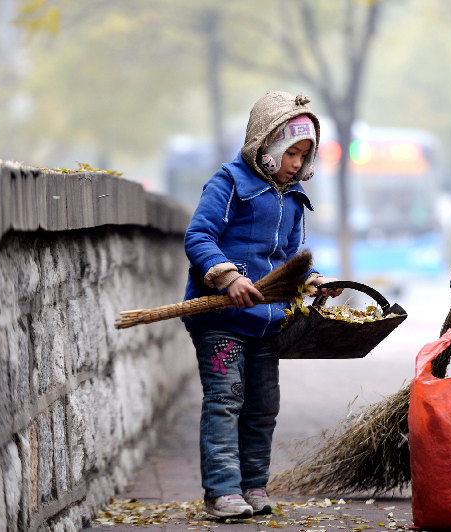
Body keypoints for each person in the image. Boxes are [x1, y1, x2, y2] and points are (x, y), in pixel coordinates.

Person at [182, 90, 341, 519]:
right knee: (225, 400)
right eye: (291, 151)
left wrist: (314, 280)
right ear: (265, 144)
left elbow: (289, 259)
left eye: (304, 154)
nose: (296, 163)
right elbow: (198, 237)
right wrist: (227, 276)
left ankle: (253, 484)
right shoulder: (229, 184)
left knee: (262, 407)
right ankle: (221, 492)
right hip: (221, 320)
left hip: (266, 324)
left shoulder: (291, 199)